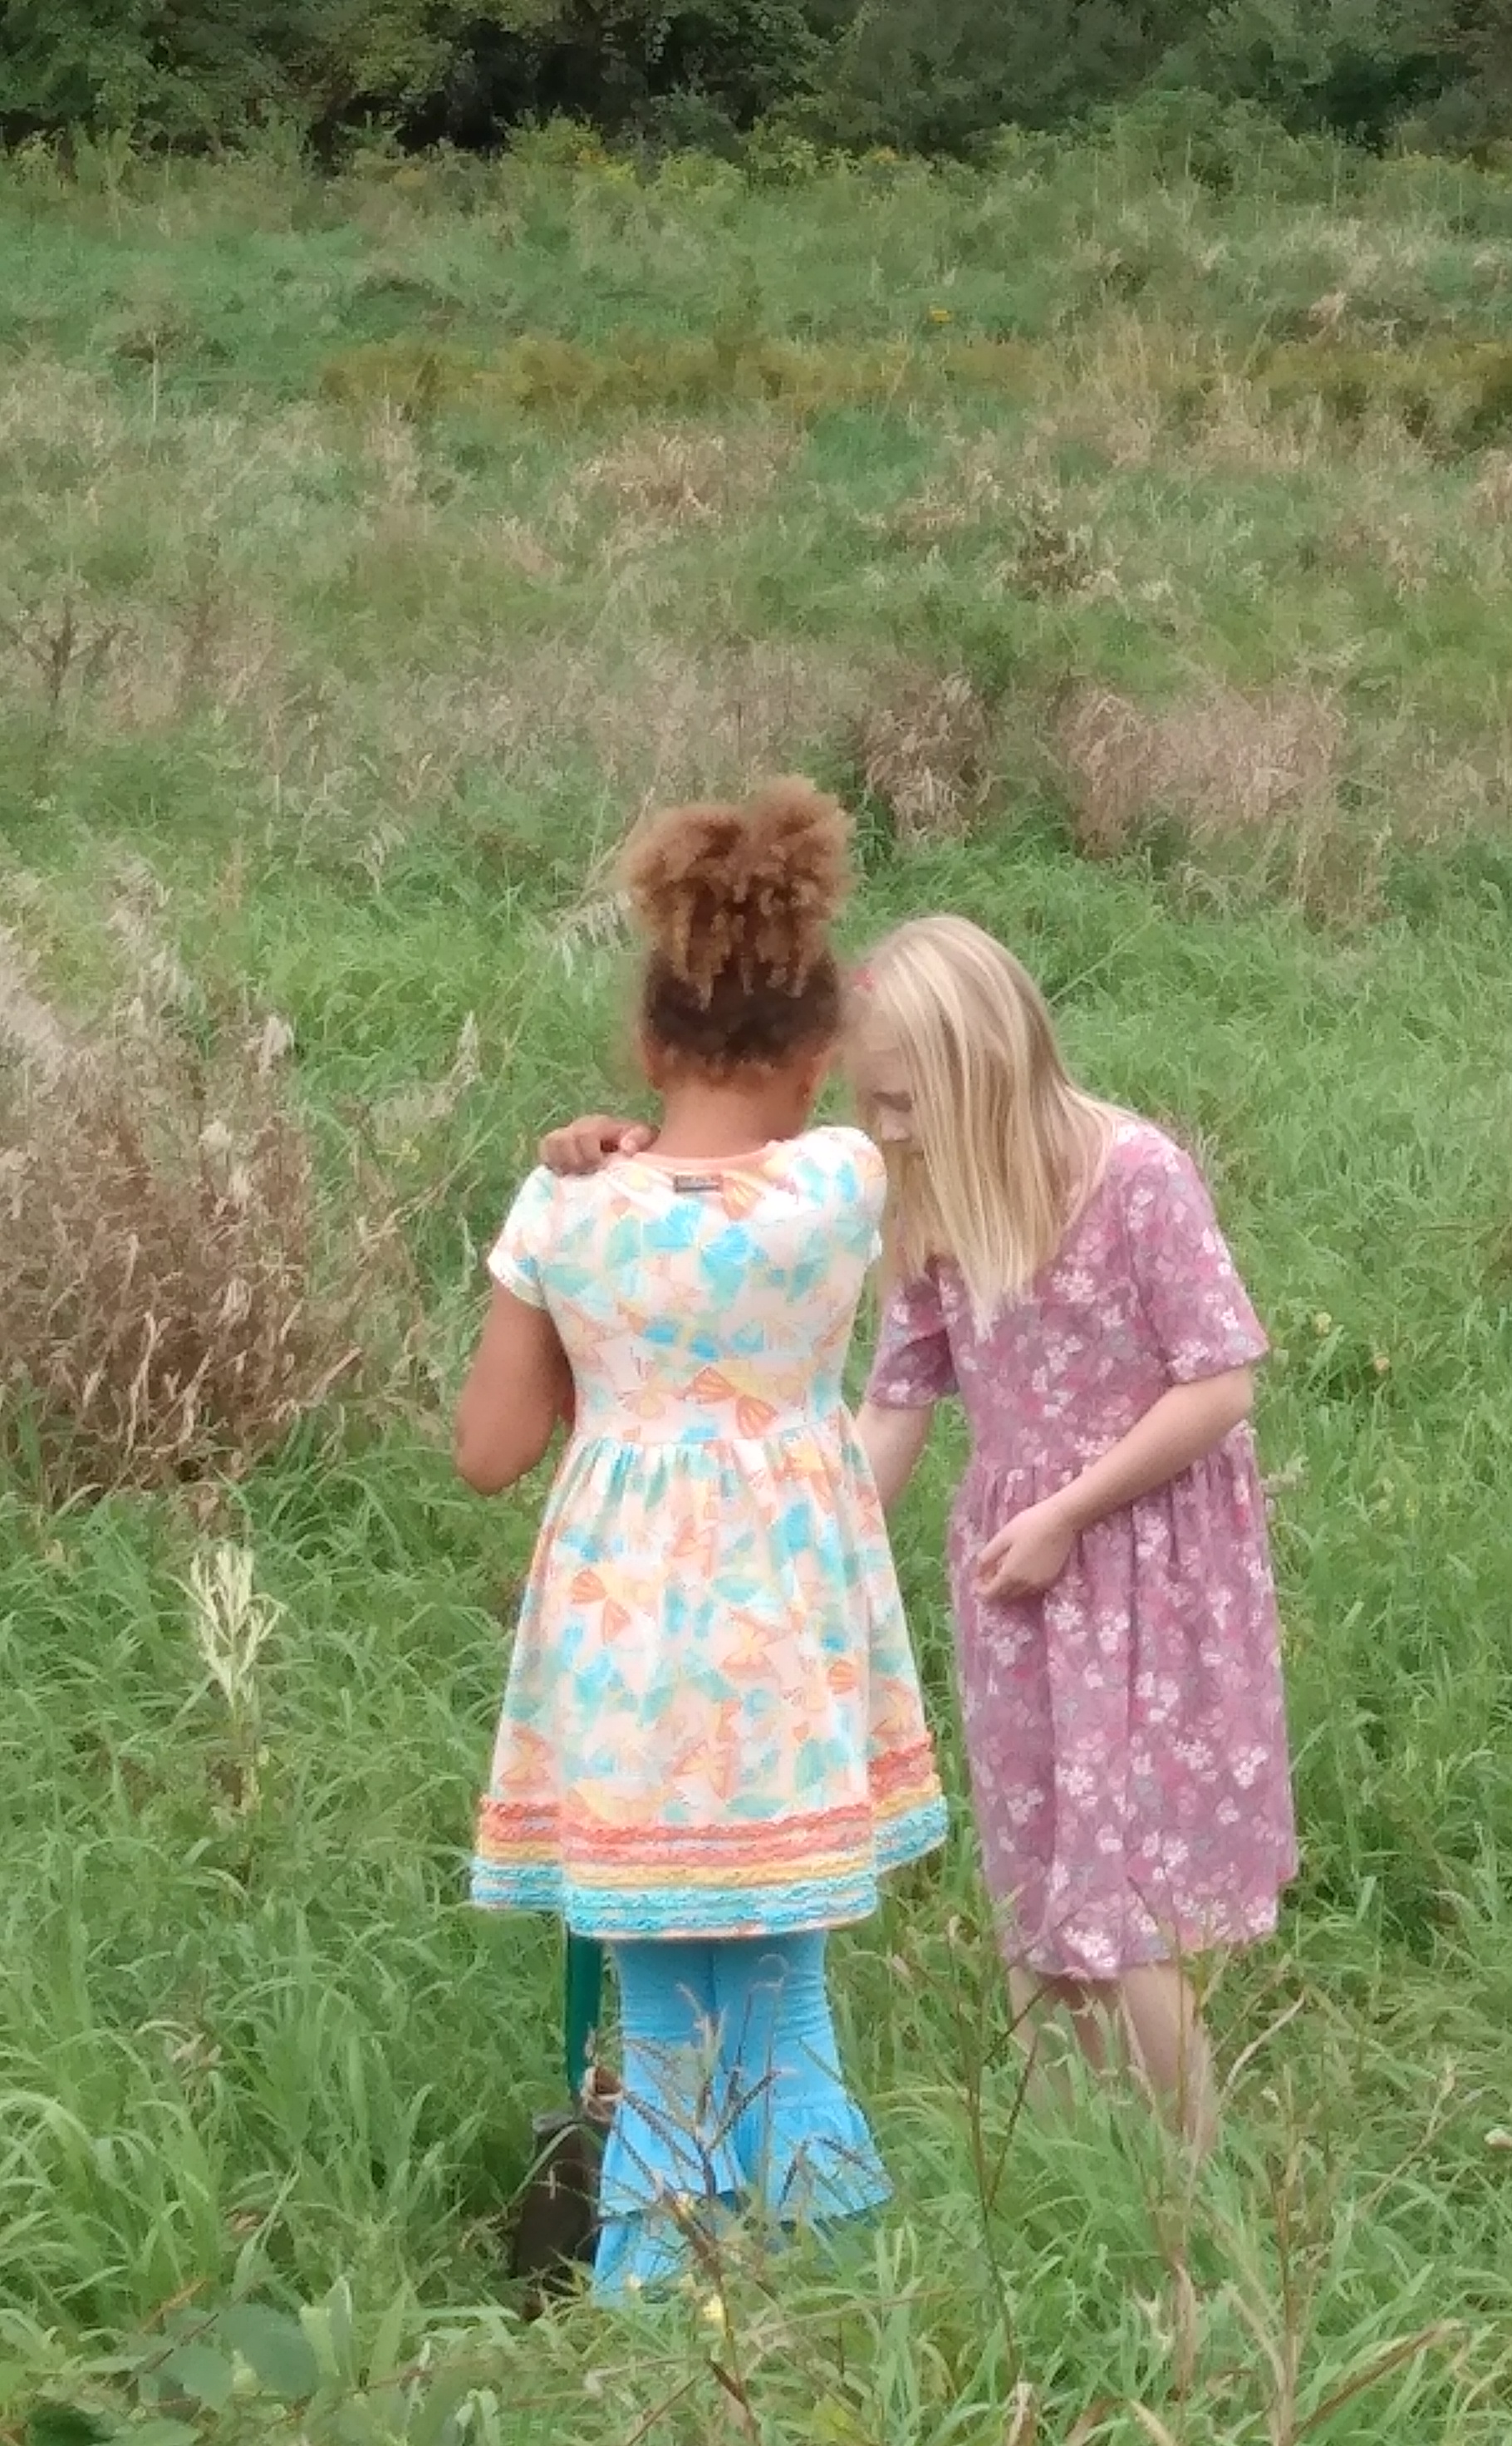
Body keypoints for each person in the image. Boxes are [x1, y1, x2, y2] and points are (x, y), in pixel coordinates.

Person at [541, 916, 1294, 2149]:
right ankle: (1066, 2167)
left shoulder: (1135, 1174)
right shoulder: (928, 1192)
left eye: (903, 1102)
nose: (884, 1130)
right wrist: (792, 1560)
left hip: (1144, 1568)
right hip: (1018, 1574)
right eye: (869, 1102)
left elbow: (1222, 1387)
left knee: (1126, 1908)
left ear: (980, 1065)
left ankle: (1191, 2187)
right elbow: (895, 1404)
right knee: (1036, 1893)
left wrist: (1064, 1511)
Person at [456, 780, 946, 2297]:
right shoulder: (844, 1186)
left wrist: (564, 1171)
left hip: (625, 1654)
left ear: (648, 1046)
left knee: (663, 2012)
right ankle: (832, 2307)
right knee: (786, 1984)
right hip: (788, 1637)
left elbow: (487, 1453)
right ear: (819, 1049)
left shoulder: (564, 1211)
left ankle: (648, 2303)